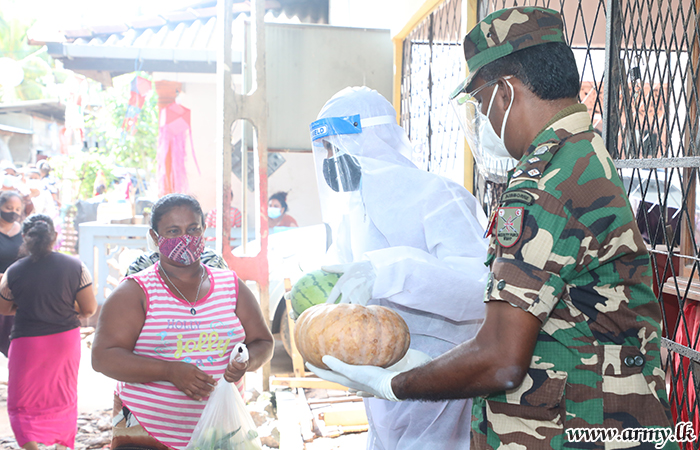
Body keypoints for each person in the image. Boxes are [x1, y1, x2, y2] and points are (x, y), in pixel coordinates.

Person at [308, 7, 677, 449]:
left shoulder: (545, 183)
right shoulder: (580, 155)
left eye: (480, 105)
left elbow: (502, 359)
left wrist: (396, 383)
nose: (482, 122)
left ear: (505, 92)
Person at [308, 86, 489, 449]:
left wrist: (392, 270)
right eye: (324, 148)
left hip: (441, 371)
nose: (330, 157)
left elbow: (479, 288)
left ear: (370, 138)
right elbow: (341, 276)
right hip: (379, 371)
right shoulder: (354, 211)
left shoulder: (437, 196)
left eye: (335, 145)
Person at [91, 193, 274, 450]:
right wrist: (169, 371)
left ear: (203, 230)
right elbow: (103, 357)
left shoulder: (230, 285)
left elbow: (263, 341)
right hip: (145, 432)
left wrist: (247, 361)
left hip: (220, 430)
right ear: (155, 237)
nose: (185, 238)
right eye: (173, 231)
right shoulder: (135, 292)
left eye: (192, 229)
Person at [0, 214, 97, 450]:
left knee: (21, 400)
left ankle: (31, 446)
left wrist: (28, 304)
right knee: (63, 395)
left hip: (27, 343)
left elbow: (3, 308)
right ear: (54, 237)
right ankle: (62, 446)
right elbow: (89, 309)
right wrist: (62, 305)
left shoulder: (14, 270)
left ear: (24, 237)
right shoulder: (76, 266)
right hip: (65, 342)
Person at [0, 191, 24, 357]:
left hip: (13, 291)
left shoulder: (23, 232)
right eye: (9, 208)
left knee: (11, 337)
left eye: (17, 209)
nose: (13, 212)